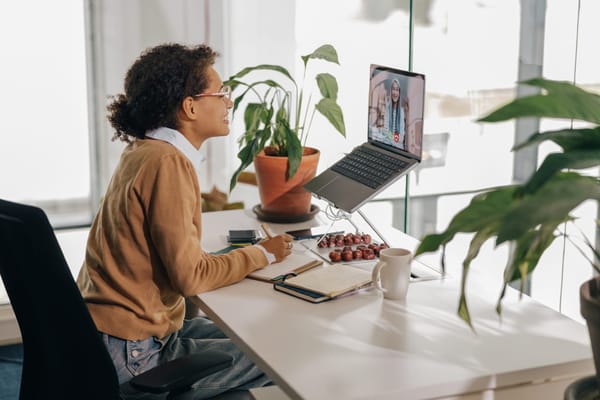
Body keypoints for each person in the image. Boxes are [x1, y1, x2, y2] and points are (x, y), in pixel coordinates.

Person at [76, 43, 294, 399]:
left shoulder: (143, 151)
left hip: (107, 337)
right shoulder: (168, 163)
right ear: (190, 106)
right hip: (135, 354)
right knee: (283, 353)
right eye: (222, 93)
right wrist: (263, 255)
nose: (229, 103)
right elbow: (190, 277)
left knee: (263, 336)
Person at [386, 79, 409, 148]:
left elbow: (401, 137)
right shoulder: (388, 109)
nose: (395, 93)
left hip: (398, 148)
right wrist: (390, 142)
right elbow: (387, 130)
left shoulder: (401, 112)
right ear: (391, 91)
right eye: (393, 89)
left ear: (399, 92)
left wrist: (392, 142)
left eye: (397, 90)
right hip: (388, 146)